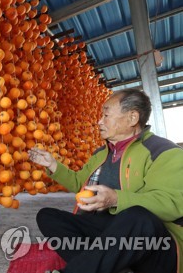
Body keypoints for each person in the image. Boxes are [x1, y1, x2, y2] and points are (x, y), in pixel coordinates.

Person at [28, 89, 183, 273]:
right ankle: (106, 266)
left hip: (155, 245)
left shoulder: (163, 152)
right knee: (48, 216)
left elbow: (172, 204)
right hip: (112, 237)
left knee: (138, 217)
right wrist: (53, 165)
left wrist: (115, 199)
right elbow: (80, 184)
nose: (99, 121)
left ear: (132, 118)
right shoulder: (101, 154)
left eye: (106, 115)